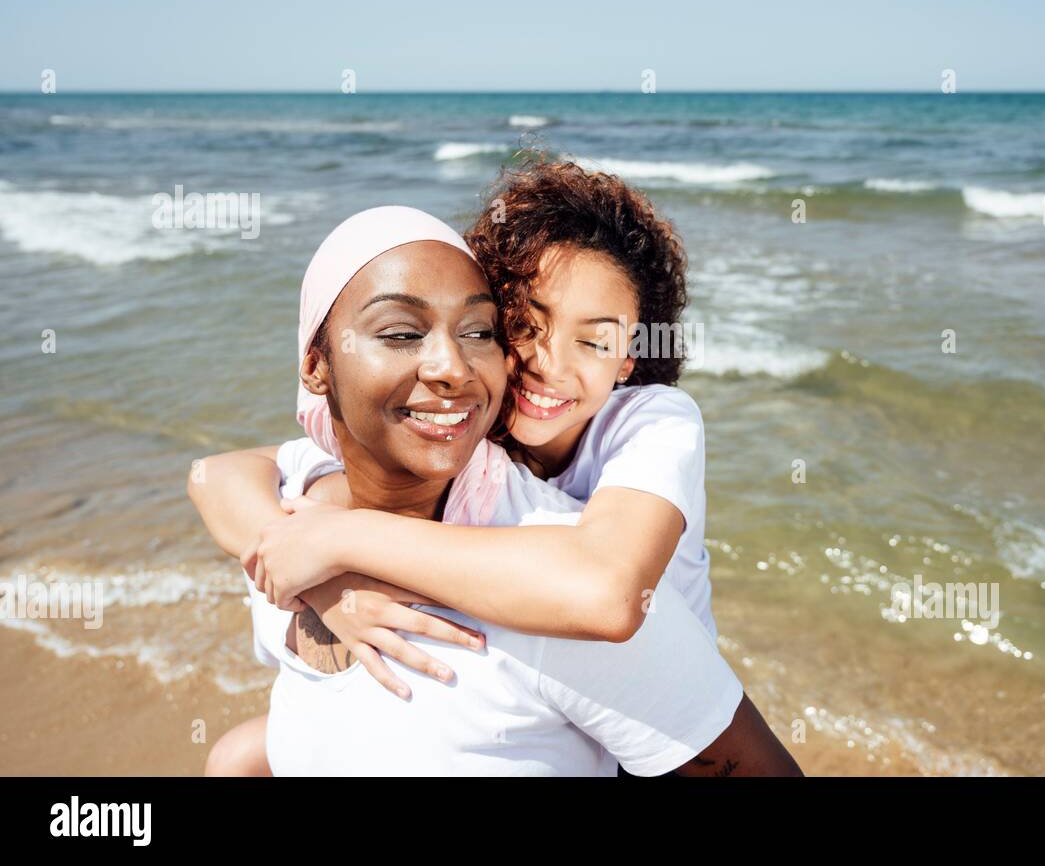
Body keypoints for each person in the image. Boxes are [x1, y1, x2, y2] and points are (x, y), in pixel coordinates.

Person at [194, 205, 801, 776]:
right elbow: (219, 474)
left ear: (627, 362)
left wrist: (342, 540)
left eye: (474, 331)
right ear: (316, 365)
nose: (548, 364)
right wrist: (317, 568)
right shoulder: (303, 501)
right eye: (520, 327)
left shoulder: (627, 462)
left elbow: (609, 594)